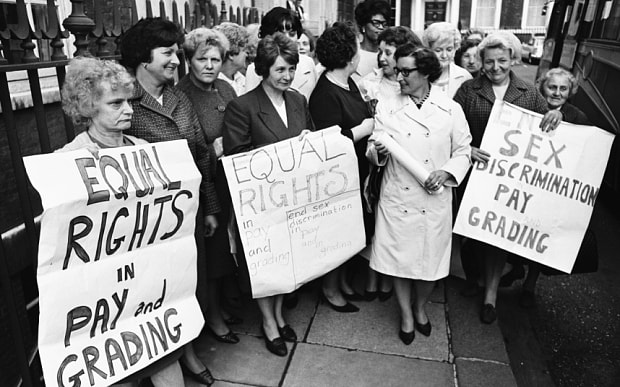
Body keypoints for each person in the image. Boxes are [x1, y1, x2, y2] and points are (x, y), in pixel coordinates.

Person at [59, 56, 187, 386]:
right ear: (88, 107)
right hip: (105, 295)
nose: (128, 110)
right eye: (115, 103)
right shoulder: (67, 160)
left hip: (146, 286)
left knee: (165, 365)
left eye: (129, 101)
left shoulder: (143, 149)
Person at [120, 17, 219, 385]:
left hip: (187, 215)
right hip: (148, 225)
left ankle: (188, 352)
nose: (177, 59)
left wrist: (209, 208)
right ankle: (163, 362)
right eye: (168, 53)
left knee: (188, 287)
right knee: (154, 294)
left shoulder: (179, 98)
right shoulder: (125, 102)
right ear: (143, 59)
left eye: (178, 52)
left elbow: (202, 158)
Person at [453, 31, 563, 324]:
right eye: (489, 62)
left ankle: (490, 296)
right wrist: (468, 148)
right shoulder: (467, 90)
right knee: (475, 234)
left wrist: (557, 115)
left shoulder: (528, 92)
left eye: (502, 60)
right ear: (481, 62)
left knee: (498, 237)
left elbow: (548, 130)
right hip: (477, 174)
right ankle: (477, 279)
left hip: (511, 182)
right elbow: (450, 128)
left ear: (513, 59)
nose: (495, 67)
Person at [366, 45, 472, 345]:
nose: (398, 76)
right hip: (399, 196)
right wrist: (378, 152)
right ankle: (406, 315)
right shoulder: (387, 106)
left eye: (406, 71)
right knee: (399, 260)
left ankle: (420, 307)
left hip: (434, 196)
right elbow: (373, 147)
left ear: (426, 72)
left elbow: (464, 149)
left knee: (430, 263)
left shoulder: (450, 108)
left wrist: (447, 172)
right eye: (396, 70)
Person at [223, 32, 314, 357]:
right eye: (280, 70)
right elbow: (237, 157)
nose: (287, 76)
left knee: (287, 262)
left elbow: (311, 140)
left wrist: (306, 141)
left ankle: (278, 315)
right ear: (263, 69)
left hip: (293, 200)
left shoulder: (297, 101)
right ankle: (268, 322)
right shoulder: (242, 106)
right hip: (262, 202)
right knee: (266, 263)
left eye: (291, 69)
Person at [500, 68, 592, 307]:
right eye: (552, 87)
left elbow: (584, 154)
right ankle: (516, 266)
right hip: (525, 183)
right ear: (542, 87)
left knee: (541, 235)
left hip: (552, 190)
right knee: (516, 228)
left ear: (570, 92)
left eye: (563, 89)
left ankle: (531, 282)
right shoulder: (529, 109)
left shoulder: (578, 117)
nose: (557, 93)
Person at [176, 27, 243, 344]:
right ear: (189, 59)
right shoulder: (182, 95)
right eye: (202, 58)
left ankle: (225, 306)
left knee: (230, 249)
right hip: (205, 186)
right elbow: (188, 150)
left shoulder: (227, 89)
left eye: (216, 59)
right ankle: (213, 317)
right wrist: (215, 151)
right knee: (212, 257)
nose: (210, 65)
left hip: (232, 182)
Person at [310, 21, 375, 312]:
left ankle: (344, 282)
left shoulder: (349, 83)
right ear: (350, 56)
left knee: (353, 230)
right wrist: (363, 129)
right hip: (337, 177)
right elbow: (328, 145)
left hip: (357, 171)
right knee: (337, 233)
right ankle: (331, 288)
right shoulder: (325, 93)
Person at [357, 26, 421, 301]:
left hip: (406, 166)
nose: (382, 58)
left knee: (398, 226)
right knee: (375, 219)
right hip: (377, 163)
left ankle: (390, 278)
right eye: (380, 51)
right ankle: (373, 277)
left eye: (389, 52)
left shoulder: (412, 87)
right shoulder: (370, 84)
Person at [245, 7, 317, 100]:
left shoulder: (308, 63)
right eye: (281, 33)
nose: (287, 38)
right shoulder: (255, 68)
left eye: (292, 34)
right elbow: (252, 104)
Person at [422, 22, 472, 97]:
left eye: (449, 49)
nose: (444, 56)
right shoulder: (419, 74)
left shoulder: (464, 76)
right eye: (438, 50)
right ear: (429, 49)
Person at [354, 0, 392, 79]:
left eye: (384, 24)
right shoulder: (353, 52)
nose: (381, 27)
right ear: (363, 25)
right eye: (376, 23)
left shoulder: (389, 55)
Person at [214, 22, 250, 96]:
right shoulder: (215, 82)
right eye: (244, 50)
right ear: (231, 54)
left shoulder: (242, 79)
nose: (247, 54)